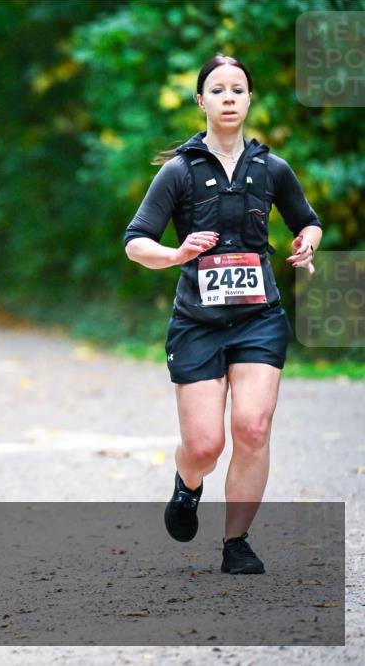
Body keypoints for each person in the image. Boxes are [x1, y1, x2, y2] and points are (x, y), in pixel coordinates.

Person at [123, 54, 321, 574]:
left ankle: (237, 542)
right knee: (206, 445)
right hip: (197, 323)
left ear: (249, 99)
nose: (229, 97)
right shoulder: (180, 171)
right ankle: (188, 484)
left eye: (238, 89)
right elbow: (135, 242)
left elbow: (309, 220)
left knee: (253, 427)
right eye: (218, 89)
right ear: (201, 101)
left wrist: (307, 243)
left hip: (260, 318)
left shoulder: (272, 168)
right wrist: (177, 254)